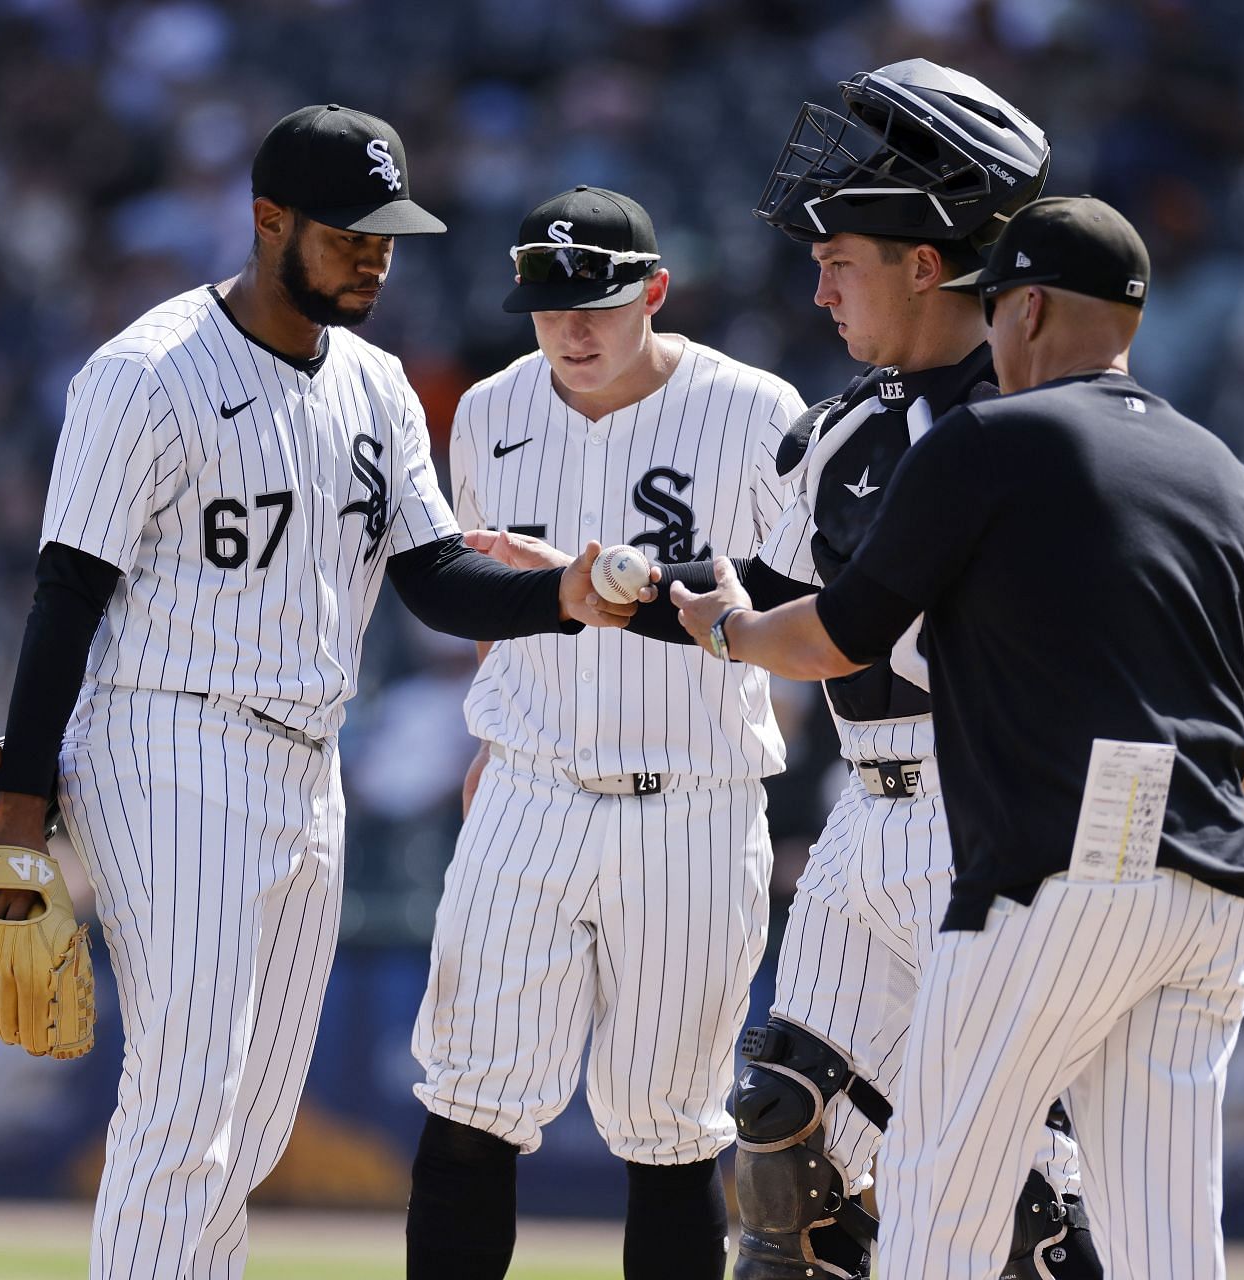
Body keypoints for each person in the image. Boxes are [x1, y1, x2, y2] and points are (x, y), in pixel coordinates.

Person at [0, 105, 647, 1280]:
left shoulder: (380, 384)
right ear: (268, 220)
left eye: (390, 236)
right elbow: (66, 594)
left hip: (306, 758)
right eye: (351, 235)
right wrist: (22, 815)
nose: (376, 256)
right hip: (167, 733)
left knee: (254, 1123)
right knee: (187, 1096)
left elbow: (435, 577)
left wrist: (567, 599)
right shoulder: (146, 372)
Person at [472, 61, 1095, 1279]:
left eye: (841, 260)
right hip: (865, 814)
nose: (815, 290)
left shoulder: (1033, 422)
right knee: (778, 1141)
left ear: (928, 262)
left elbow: (833, 627)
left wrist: (704, 616)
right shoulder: (848, 426)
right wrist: (601, 581)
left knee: (1023, 1195)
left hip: (986, 810)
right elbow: (751, 589)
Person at [672, 194, 1244, 1280]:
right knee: (1168, 1239)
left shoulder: (990, 437)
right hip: (1214, 880)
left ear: (1033, 306)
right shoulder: (1219, 470)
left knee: (939, 1206)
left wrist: (725, 627)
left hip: (1057, 862)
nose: (990, 329)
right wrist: (1156, 822)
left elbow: (838, 632)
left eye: (998, 304)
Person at [403, 186, 802, 1280]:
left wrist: (623, 588)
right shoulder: (490, 407)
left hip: (693, 796)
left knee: (669, 1124)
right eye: (549, 303)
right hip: (529, 787)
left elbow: (800, 593)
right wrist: (493, 744)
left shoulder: (756, 409)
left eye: (599, 301)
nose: (573, 328)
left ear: (655, 293)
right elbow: (484, 591)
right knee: (469, 1099)